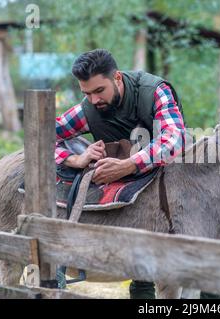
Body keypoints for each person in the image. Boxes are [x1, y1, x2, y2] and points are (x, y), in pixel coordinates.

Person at [55, 49, 186, 298]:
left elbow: (174, 139)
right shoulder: (89, 108)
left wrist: (128, 165)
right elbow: (42, 131)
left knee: (200, 261)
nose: (93, 100)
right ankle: (142, 287)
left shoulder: (154, 91)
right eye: (87, 93)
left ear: (117, 77)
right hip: (134, 192)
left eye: (99, 91)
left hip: (174, 183)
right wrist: (75, 158)